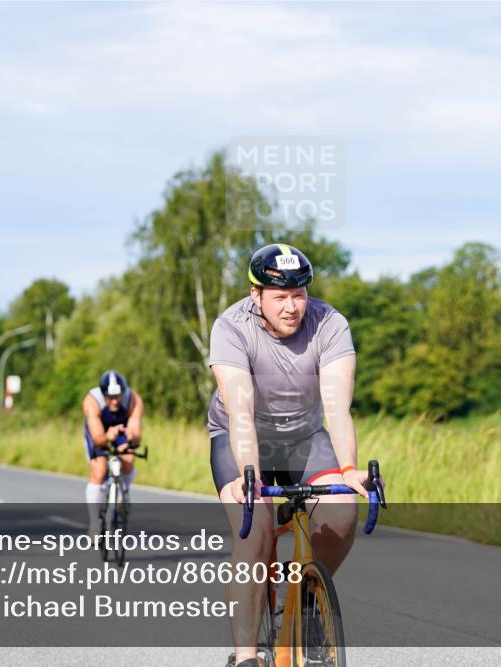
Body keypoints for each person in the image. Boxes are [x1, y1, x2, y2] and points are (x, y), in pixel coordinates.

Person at [208, 243, 368, 667]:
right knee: (254, 532)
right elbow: (240, 411)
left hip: (303, 438)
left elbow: (336, 407)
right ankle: (245, 656)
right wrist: (249, 477)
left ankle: (305, 603)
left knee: (341, 513)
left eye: (299, 295)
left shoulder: (329, 323)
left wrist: (349, 468)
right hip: (240, 436)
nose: (292, 306)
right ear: (255, 294)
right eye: (280, 296)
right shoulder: (231, 327)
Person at [82, 370, 144, 533]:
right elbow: (97, 438)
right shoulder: (92, 401)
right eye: (110, 397)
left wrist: (132, 437)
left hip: (121, 430)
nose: (115, 401)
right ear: (103, 394)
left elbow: (137, 438)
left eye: (118, 396)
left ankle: (124, 492)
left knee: (128, 459)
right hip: (99, 433)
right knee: (99, 470)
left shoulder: (133, 400)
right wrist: (107, 436)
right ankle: (94, 522)